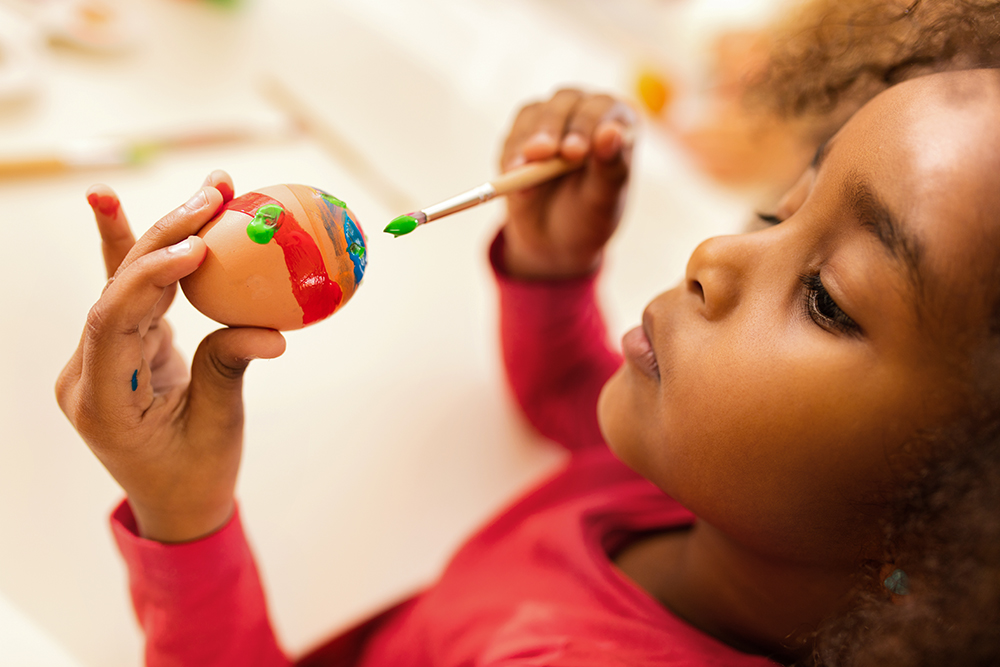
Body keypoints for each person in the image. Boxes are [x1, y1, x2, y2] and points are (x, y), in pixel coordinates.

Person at [56, 67, 1000, 666]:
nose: (714, 253)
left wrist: (185, 517)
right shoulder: (724, 505)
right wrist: (554, 271)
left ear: (963, 523)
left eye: (828, 296)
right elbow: (572, 405)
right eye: (775, 211)